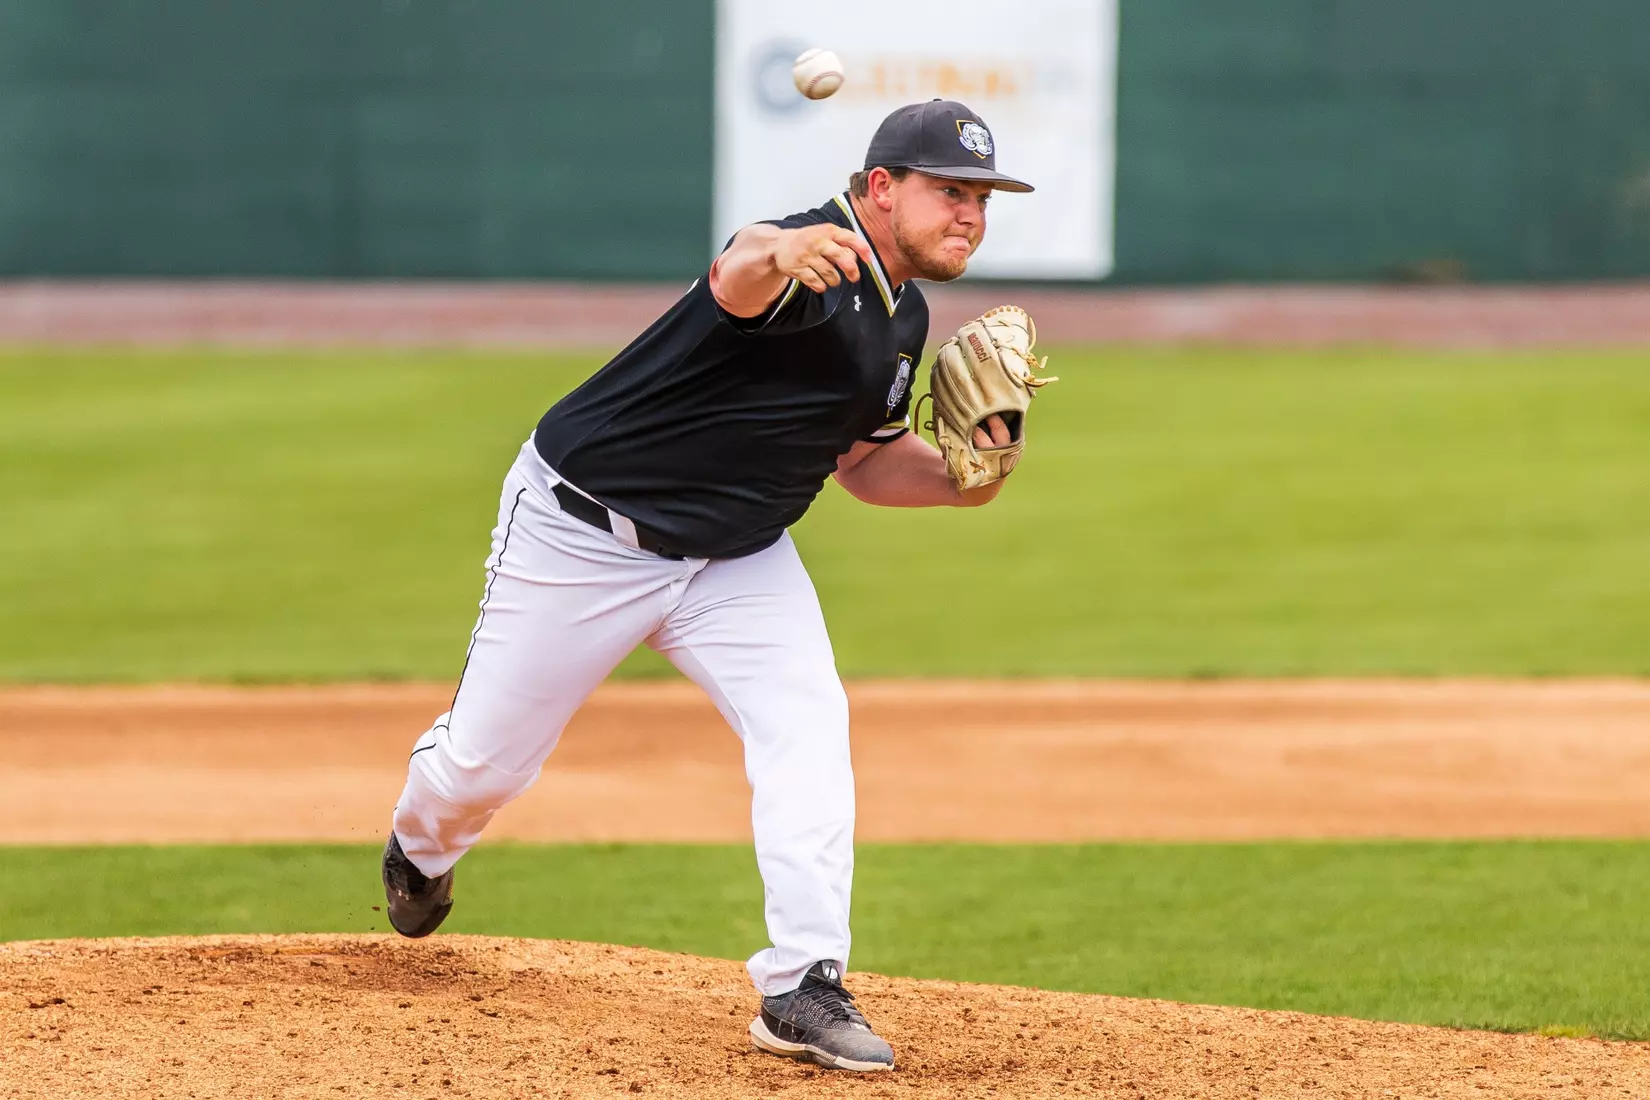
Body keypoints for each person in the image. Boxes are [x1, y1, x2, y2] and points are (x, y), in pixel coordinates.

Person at [381, 98, 1034, 1073]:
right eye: (951, 192)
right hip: (585, 533)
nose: (970, 214)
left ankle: (802, 983)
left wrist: (960, 481)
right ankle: (420, 848)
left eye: (982, 197)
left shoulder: (904, 314)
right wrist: (782, 249)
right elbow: (739, 270)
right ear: (882, 187)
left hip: (736, 558)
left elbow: (860, 459)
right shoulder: (812, 263)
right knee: (483, 766)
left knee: (808, 724)